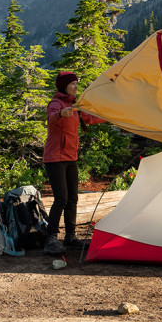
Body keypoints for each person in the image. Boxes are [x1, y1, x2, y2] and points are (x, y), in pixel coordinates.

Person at [43, 71, 103, 254]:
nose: (76, 87)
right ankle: (51, 239)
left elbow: (89, 119)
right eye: (73, 84)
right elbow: (51, 118)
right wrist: (61, 113)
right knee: (61, 198)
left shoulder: (74, 105)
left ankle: (70, 237)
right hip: (55, 158)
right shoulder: (57, 103)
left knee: (73, 199)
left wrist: (110, 117)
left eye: (77, 83)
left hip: (70, 158)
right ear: (64, 86)